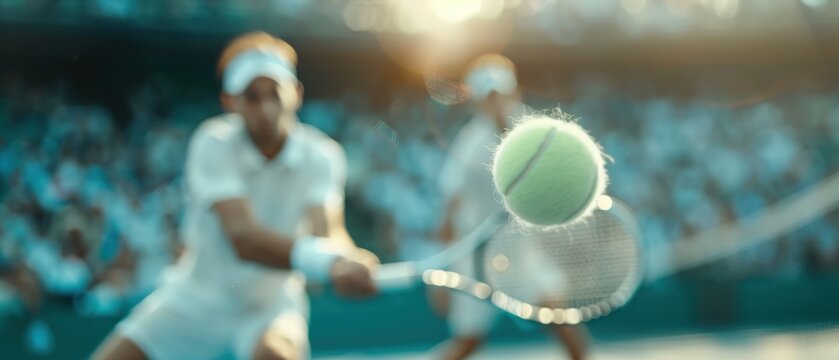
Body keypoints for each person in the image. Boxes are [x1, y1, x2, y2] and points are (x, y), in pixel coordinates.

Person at [92, 31, 379, 360]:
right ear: (230, 101)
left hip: (270, 308)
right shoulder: (212, 142)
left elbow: (328, 231)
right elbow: (243, 238)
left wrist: (349, 257)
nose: (266, 107)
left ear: (296, 94)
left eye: (275, 93)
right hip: (194, 300)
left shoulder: (323, 154)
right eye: (252, 96)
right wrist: (330, 262)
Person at [434, 54, 588, 360]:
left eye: (501, 94)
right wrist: (444, 272)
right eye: (489, 96)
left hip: (522, 250)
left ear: (513, 92)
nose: (496, 102)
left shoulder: (539, 133)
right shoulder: (470, 144)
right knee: (469, 342)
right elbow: (448, 215)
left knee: (561, 321)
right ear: (477, 101)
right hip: (479, 255)